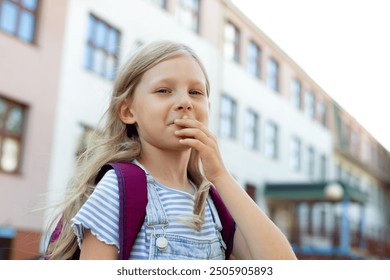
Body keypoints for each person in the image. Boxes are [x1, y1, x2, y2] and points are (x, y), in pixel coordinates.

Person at [46, 40, 297, 260]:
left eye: (196, 92)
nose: (184, 102)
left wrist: (221, 176)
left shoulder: (214, 204)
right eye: (164, 90)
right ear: (128, 111)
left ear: (208, 107)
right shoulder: (118, 188)